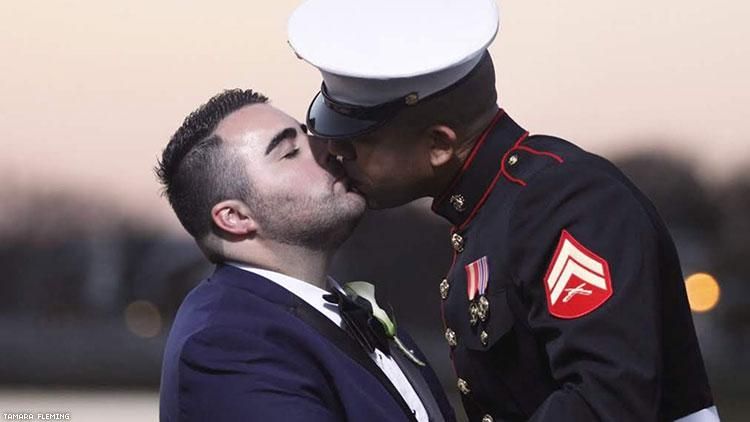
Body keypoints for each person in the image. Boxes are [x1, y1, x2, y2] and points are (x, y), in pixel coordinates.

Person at [288, 0, 719, 420]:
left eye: (357, 141)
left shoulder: (566, 201)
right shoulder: (494, 211)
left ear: (439, 144)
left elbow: (606, 399)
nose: (335, 151)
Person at [155, 89, 456, 422]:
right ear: (236, 217)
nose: (329, 147)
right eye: (290, 152)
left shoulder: (343, 308)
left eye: (308, 134)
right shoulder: (225, 343)